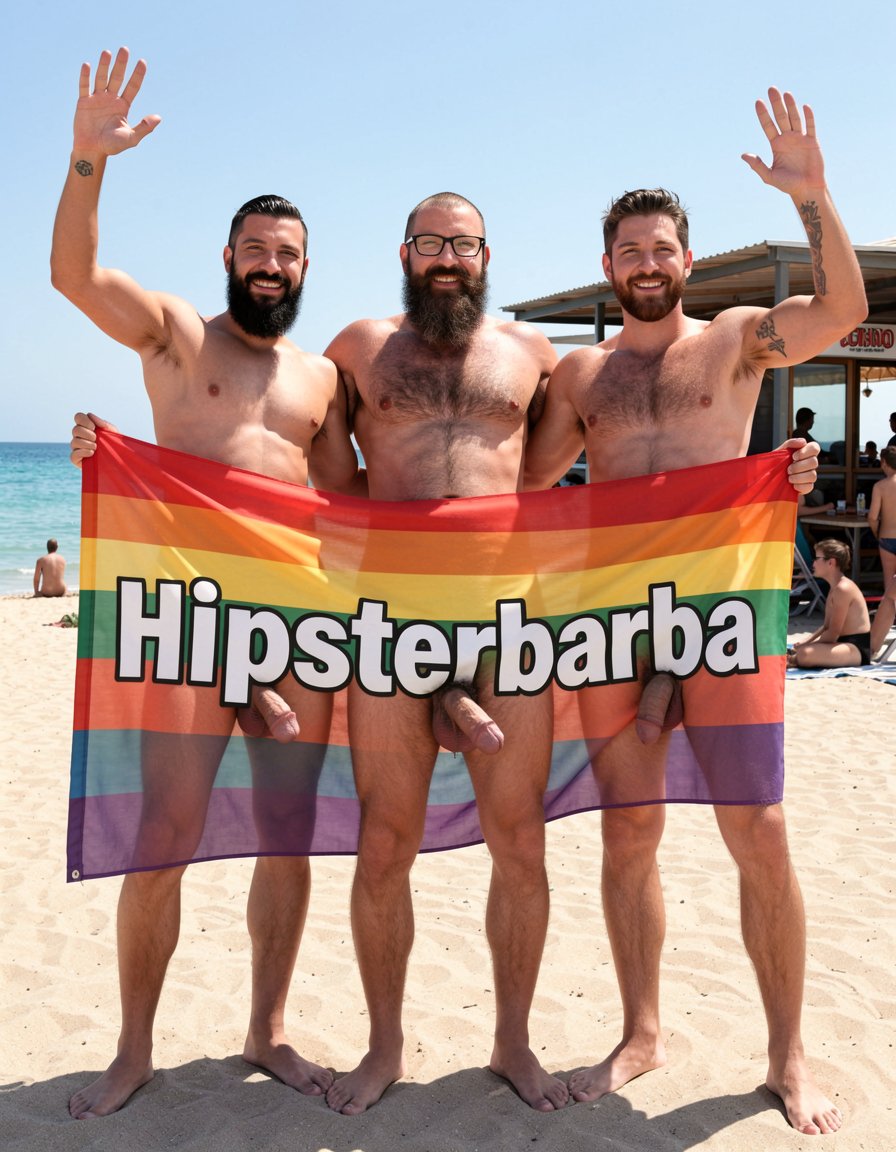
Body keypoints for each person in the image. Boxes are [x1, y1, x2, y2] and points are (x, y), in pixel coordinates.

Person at [523, 88, 866, 1135]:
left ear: (683, 258)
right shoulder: (582, 374)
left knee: (757, 833)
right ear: (607, 263)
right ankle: (640, 1030)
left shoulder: (729, 342)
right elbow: (516, 492)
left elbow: (841, 313)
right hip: (617, 628)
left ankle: (785, 1055)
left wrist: (811, 196)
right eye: (626, 246)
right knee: (626, 834)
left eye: (659, 245)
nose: (643, 260)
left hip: (725, 620)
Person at [52, 48, 361, 1120]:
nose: (271, 266)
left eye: (290, 255)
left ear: (305, 267)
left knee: (289, 840)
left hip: (293, 635)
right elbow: (76, 280)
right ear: (228, 254)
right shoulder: (182, 336)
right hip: (186, 629)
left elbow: (347, 506)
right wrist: (89, 160)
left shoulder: (322, 378)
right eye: (258, 250)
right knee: (164, 841)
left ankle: (266, 1028)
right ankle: (134, 1046)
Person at [316, 191, 573, 1115]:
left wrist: (770, 473)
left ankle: (511, 1042)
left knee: (521, 843)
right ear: (405, 251)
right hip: (390, 616)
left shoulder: (532, 354)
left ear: (487, 253)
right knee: (385, 844)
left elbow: (560, 463)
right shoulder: (357, 346)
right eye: (431, 243)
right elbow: (297, 444)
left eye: (462, 244)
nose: (447, 257)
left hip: (508, 618)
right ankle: (384, 1045)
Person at [788, 539, 871, 666]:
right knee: (804, 650)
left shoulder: (843, 589)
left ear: (831, 562)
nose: (813, 563)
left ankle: (790, 660)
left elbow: (833, 633)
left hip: (854, 648)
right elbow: (826, 626)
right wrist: (806, 641)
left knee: (806, 654)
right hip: (840, 644)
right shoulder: (834, 588)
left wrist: (808, 646)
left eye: (817, 558)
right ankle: (793, 658)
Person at [868, 445, 896, 656]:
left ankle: (889, 625)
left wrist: (876, 533)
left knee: (890, 589)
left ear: (885, 463)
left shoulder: (880, 486)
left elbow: (872, 516)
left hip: (887, 537)